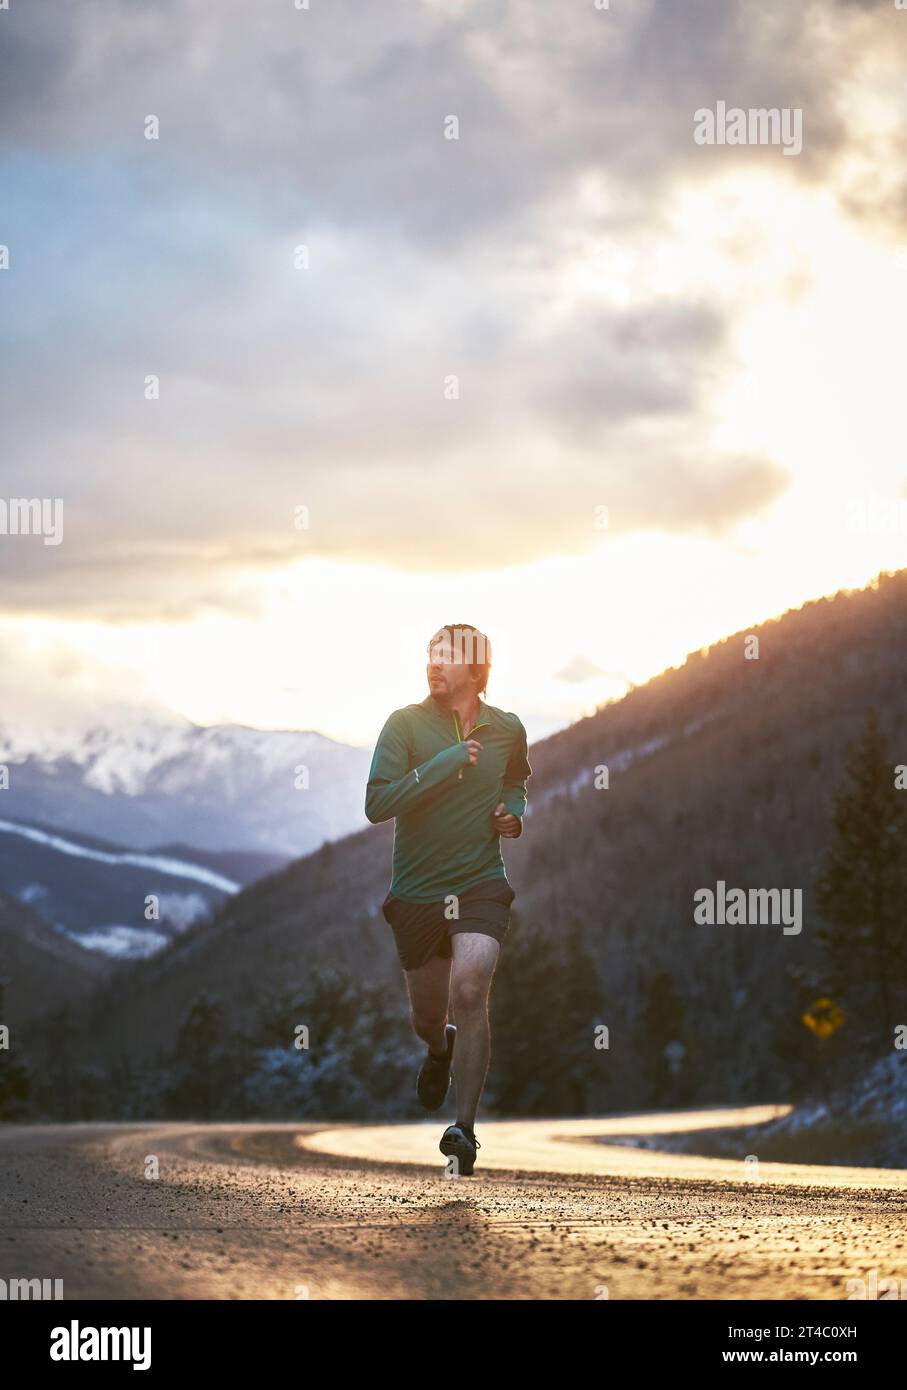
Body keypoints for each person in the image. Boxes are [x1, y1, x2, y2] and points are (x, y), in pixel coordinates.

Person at [365, 623, 531, 1175]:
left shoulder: (507, 729)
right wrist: (445, 762)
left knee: (471, 986)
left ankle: (464, 1129)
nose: (435, 665)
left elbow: (515, 779)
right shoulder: (404, 725)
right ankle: (440, 1050)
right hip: (417, 893)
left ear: (477, 670)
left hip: (480, 880)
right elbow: (377, 803)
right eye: (431, 656)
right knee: (428, 1017)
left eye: (448, 657)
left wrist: (513, 812)